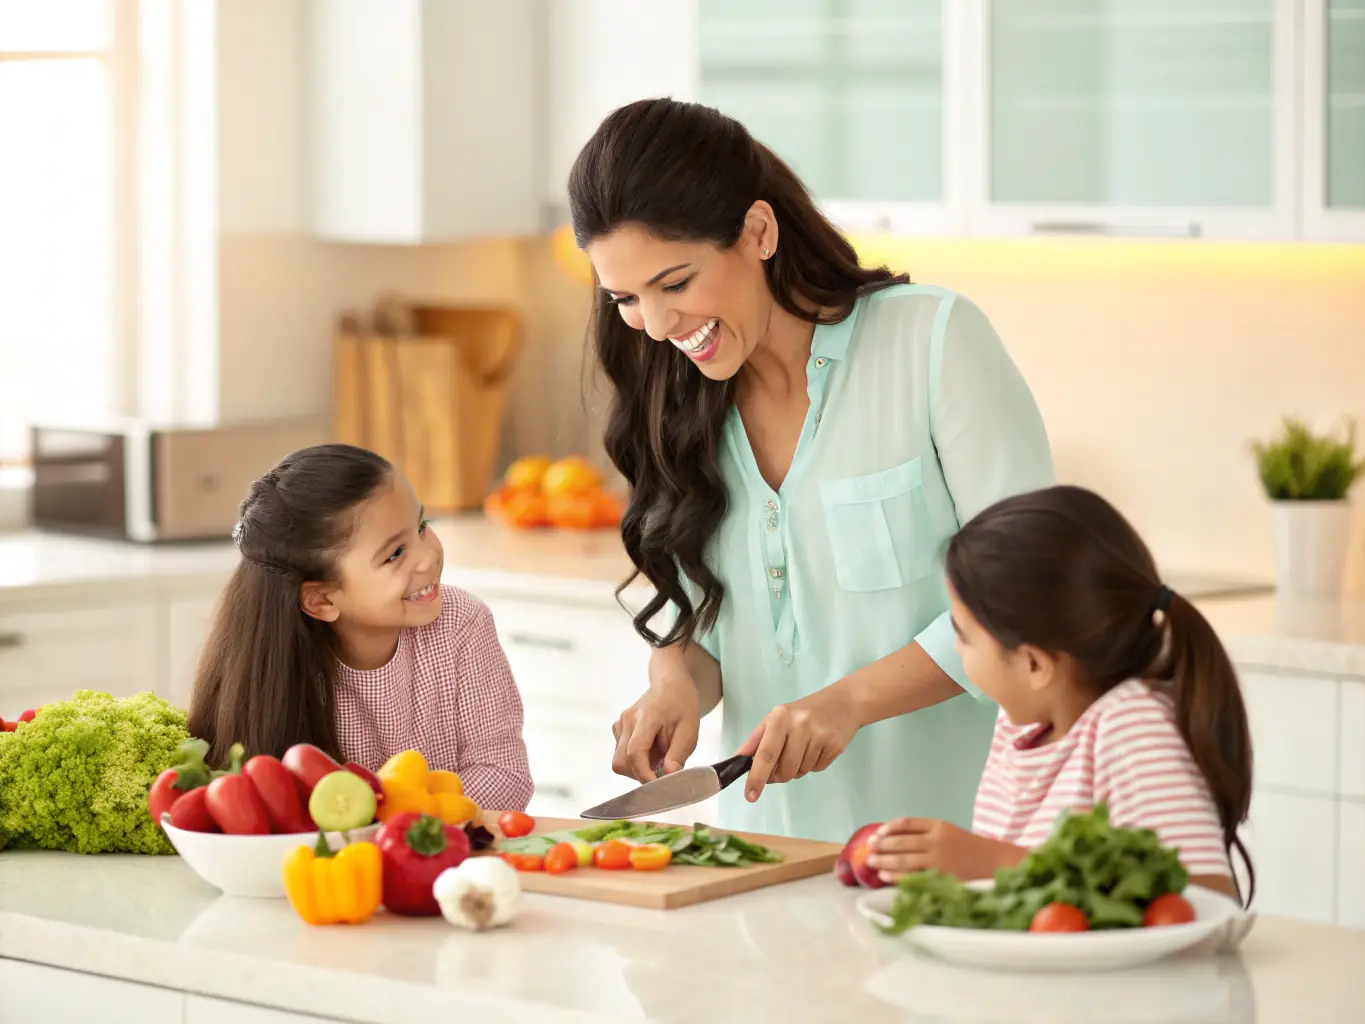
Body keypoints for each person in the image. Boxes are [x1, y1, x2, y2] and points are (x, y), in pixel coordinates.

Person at [567, 97, 1054, 842]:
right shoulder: (674, 403)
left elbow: (1029, 593)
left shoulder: (931, 343)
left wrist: (849, 701)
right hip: (770, 854)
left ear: (757, 231)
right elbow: (707, 617)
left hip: (963, 848)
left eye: (674, 284)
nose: (658, 327)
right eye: (625, 298)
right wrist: (674, 685)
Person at [868, 485, 1254, 901]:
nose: (956, 649)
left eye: (962, 635)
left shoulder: (1132, 727)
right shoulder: (1018, 728)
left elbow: (1208, 898)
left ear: (1034, 665)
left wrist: (990, 864)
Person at [188, 443, 533, 812]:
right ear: (322, 600)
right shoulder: (271, 672)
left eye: (421, 526)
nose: (427, 556)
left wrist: (390, 817)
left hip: (446, 859)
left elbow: (505, 775)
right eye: (395, 554)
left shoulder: (462, 623)